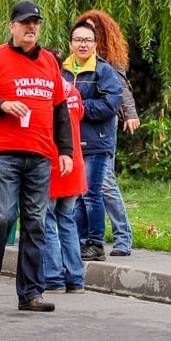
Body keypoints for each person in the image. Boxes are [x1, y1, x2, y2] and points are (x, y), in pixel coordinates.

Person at [0, 0, 73, 312]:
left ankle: (31, 293)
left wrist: (65, 151)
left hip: (40, 154)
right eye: (25, 22)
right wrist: (2, 106)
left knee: (36, 223)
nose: (31, 27)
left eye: (36, 23)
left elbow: (60, 109)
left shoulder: (50, 63)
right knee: (1, 218)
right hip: (4, 153)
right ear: (12, 26)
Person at [75, 9, 138, 256]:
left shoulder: (107, 63)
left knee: (105, 184)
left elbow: (122, 90)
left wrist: (130, 114)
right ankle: (84, 239)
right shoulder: (76, 62)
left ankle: (123, 237)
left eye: (92, 31)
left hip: (102, 129)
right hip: (81, 130)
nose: (86, 37)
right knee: (87, 187)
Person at [62, 20, 122, 262]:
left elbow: (111, 104)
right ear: (70, 44)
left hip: (96, 142)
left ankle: (95, 243)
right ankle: (78, 240)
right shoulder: (63, 71)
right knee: (76, 194)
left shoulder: (104, 71)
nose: (82, 44)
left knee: (91, 194)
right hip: (72, 142)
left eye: (87, 40)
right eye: (78, 40)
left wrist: (78, 107)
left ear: (95, 45)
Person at [42, 48, 87, 294]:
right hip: (73, 162)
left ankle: (53, 278)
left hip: (50, 162)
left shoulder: (44, 92)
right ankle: (76, 279)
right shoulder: (73, 90)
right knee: (67, 221)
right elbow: (77, 118)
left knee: (48, 221)